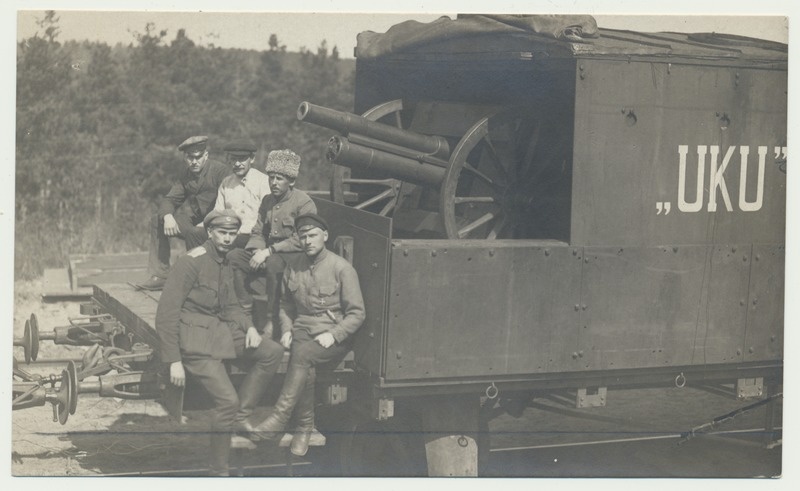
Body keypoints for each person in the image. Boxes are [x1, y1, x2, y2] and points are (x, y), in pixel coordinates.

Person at [155, 209, 284, 476]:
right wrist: (174, 361)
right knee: (227, 401)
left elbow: (232, 305)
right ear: (210, 233)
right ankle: (219, 472)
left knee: (272, 351)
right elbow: (166, 314)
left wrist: (249, 328)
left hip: (221, 334)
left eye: (231, 233)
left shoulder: (225, 261)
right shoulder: (191, 262)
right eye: (222, 233)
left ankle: (240, 416)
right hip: (196, 344)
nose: (227, 238)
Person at [251, 213, 365, 457]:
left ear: (325, 236)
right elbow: (285, 304)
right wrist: (288, 329)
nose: (307, 241)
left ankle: (279, 418)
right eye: (302, 237)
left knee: (301, 356)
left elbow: (357, 313)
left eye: (312, 235)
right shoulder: (294, 266)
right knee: (305, 364)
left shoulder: (342, 268)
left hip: (333, 336)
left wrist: (335, 335)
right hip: (303, 330)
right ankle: (304, 427)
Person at [227, 149, 316, 333]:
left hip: (294, 255)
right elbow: (259, 230)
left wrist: (268, 251)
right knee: (235, 257)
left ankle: (272, 320)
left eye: (279, 178)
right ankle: (245, 312)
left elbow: (303, 238)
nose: (273, 183)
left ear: (291, 181)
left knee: (274, 263)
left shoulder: (304, 202)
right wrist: (255, 250)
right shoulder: (268, 200)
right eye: (271, 177)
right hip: (268, 251)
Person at [137, 136, 230, 291]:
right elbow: (170, 199)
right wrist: (167, 217)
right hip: (196, 222)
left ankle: (198, 279)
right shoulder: (185, 175)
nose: (194, 162)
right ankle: (160, 275)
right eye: (190, 157)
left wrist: (208, 221)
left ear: (206, 155)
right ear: (185, 158)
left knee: (195, 232)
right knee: (157, 220)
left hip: (218, 224)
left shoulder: (220, 171)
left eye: (198, 157)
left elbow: (228, 202)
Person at [213, 140, 271, 249]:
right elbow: (218, 212)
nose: (237, 164)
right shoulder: (226, 183)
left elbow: (269, 215)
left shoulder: (263, 181)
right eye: (233, 159)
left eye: (242, 159)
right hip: (230, 234)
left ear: (252, 159)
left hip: (255, 236)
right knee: (197, 235)